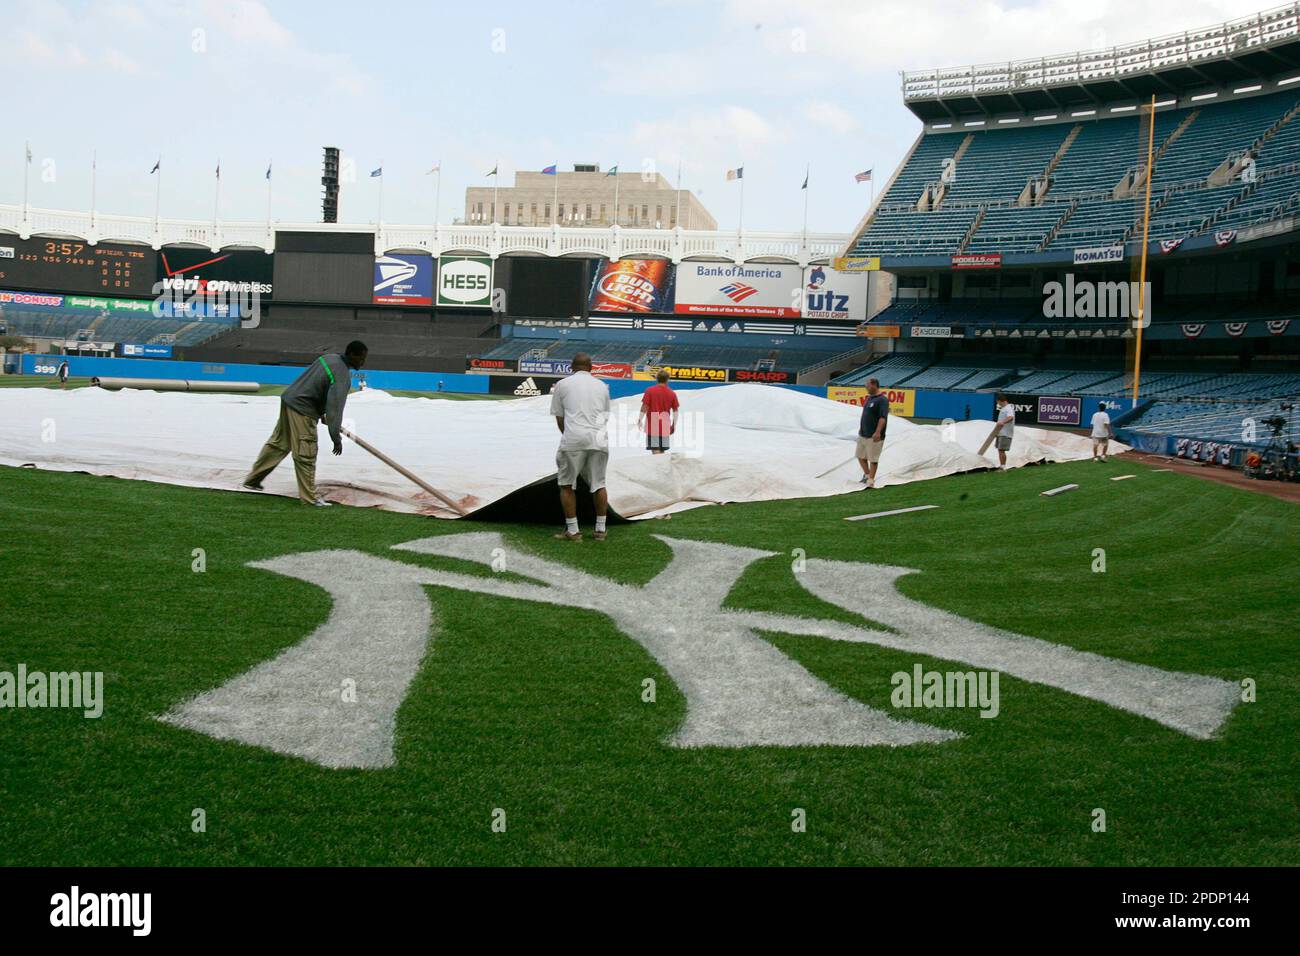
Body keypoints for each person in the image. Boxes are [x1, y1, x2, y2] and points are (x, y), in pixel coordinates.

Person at [243, 341, 367, 506]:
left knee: (279, 444)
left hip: (289, 400)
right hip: (303, 409)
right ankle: (310, 498)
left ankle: (252, 480)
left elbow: (317, 386)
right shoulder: (342, 376)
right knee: (305, 452)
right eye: (361, 358)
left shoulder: (328, 358)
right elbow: (335, 409)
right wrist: (335, 436)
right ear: (352, 354)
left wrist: (321, 411)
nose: (363, 362)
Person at [549, 353, 611, 541]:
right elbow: (605, 416)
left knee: (567, 484)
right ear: (591, 367)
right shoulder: (602, 386)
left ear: (572, 367)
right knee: (599, 484)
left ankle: (574, 531)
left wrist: (570, 435)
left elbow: (560, 418)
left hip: (574, 437)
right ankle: (600, 529)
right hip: (599, 438)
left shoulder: (563, 384)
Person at [856, 377, 888, 488]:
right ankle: (867, 474)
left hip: (874, 435)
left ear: (874, 385)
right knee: (860, 456)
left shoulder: (882, 400)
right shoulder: (869, 398)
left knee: (873, 459)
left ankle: (871, 480)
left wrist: (878, 432)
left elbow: (882, 417)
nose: (866, 388)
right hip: (863, 433)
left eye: (868, 386)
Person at [638, 370, 678, 454]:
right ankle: (662, 466)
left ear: (657, 379)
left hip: (653, 424)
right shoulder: (672, 393)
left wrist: (640, 419)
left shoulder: (650, 391)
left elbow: (644, 406)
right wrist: (674, 425)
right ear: (667, 379)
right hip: (665, 425)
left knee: (655, 449)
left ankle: (658, 466)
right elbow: (675, 411)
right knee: (662, 450)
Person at [994, 394, 1016, 469]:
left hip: (1005, 433)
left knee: (1001, 450)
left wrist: (1002, 422)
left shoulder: (1008, 408)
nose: (998, 404)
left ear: (1000, 401)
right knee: (1000, 450)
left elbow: (1010, 417)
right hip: (1001, 432)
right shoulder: (1004, 408)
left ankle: (1003, 467)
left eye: (998, 402)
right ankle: (1001, 465)